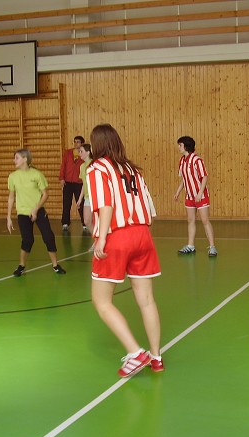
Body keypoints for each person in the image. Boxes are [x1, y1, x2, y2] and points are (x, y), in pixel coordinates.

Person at [87, 123, 163, 378]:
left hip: (117, 236)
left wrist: (101, 238)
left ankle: (135, 352)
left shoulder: (97, 168)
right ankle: (156, 357)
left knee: (101, 301)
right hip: (143, 235)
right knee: (147, 300)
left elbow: (105, 206)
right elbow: (150, 207)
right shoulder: (133, 169)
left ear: (96, 144)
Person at [7, 148, 66, 277]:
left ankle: (55, 265)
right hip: (22, 213)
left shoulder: (37, 174)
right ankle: (21, 266)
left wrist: (36, 209)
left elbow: (45, 195)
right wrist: (8, 217)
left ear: (25, 159)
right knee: (27, 240)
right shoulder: (12, 177)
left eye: (16, 158)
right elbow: (11, 197)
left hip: (38, 211)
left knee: (48, 237)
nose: (14, 160)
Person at [173, 136, 217, 256]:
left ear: (186, 146)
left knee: (205, 220)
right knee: (190, 220)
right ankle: (190, 245)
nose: (178, 147)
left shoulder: (197, 160)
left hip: (201, 196)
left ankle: (212, 247)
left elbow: (204, 177)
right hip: (189, 196)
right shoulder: (182, 161)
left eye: (180, 145)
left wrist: (200, 193)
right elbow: (184, 179)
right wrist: (178, 191)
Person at [59, 135, 85, 232]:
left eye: (78, 142)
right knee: (66, 203)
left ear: (82, 143)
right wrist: (62, 178)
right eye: (75, 142)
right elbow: (63, 166)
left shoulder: (84, 154)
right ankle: (65, 222)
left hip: (79, 183)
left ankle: (85, 223)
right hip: (68, 182)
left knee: (81, 204)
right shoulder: (68, 153)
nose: (76, 143)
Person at [76, 143, 93, 234]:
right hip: (87, 197)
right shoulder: (82, 166)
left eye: (81, 151)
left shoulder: (94, 165)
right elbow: (84, 184)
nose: (79, 153)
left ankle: (101, 242)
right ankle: (97, 240)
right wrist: (79, 199)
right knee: (86, 221)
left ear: (88, 152)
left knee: (98, 221)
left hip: (96, 197)